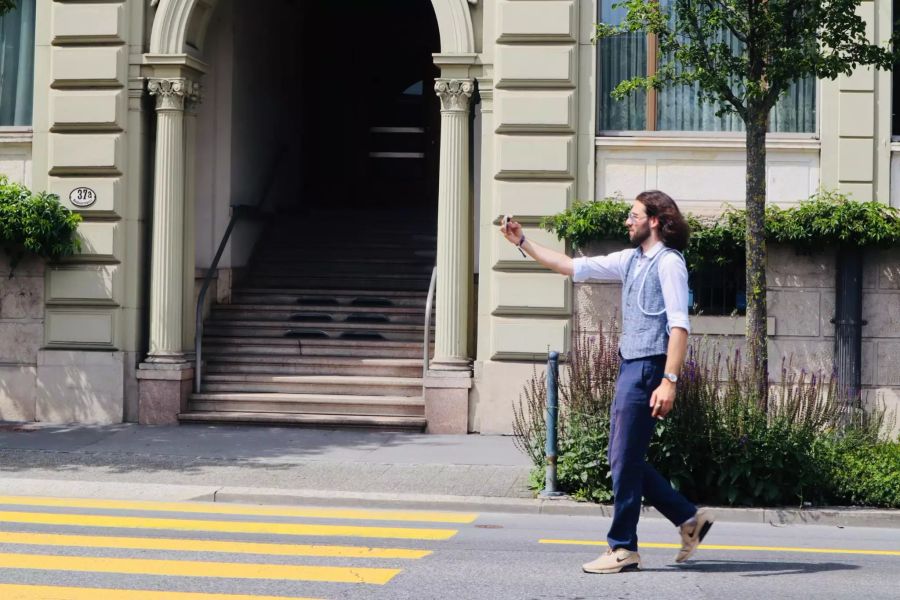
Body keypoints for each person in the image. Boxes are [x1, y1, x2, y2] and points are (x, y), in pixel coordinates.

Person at [500, 190, 713, 574]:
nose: (627, 221)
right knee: (624, 459)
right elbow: (568, 265)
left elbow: (679, 326)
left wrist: (669, 381)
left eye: (634, 215)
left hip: (649, 367)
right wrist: (523, 242)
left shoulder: (669, 264)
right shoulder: (631, 260)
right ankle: (687, 519)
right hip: (630, 366)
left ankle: (623, 548)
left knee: (623, 460)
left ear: (653, 221)